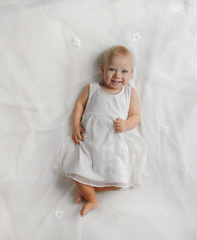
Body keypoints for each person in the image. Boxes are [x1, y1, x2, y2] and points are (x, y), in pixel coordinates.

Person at [56, 45, 148, 217]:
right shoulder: (92, 89)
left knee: (119, 182)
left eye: (124, 71)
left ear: (131, 73)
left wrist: (127, 125)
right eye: (112, 69)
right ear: (103, 69)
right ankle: (91, 197)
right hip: (88, 144)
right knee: (75, 172)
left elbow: (135, 115)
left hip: (112, 146)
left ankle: (89, 189)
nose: (117, 76)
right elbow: (79, 105)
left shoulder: (129, 93)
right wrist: (76, 125)